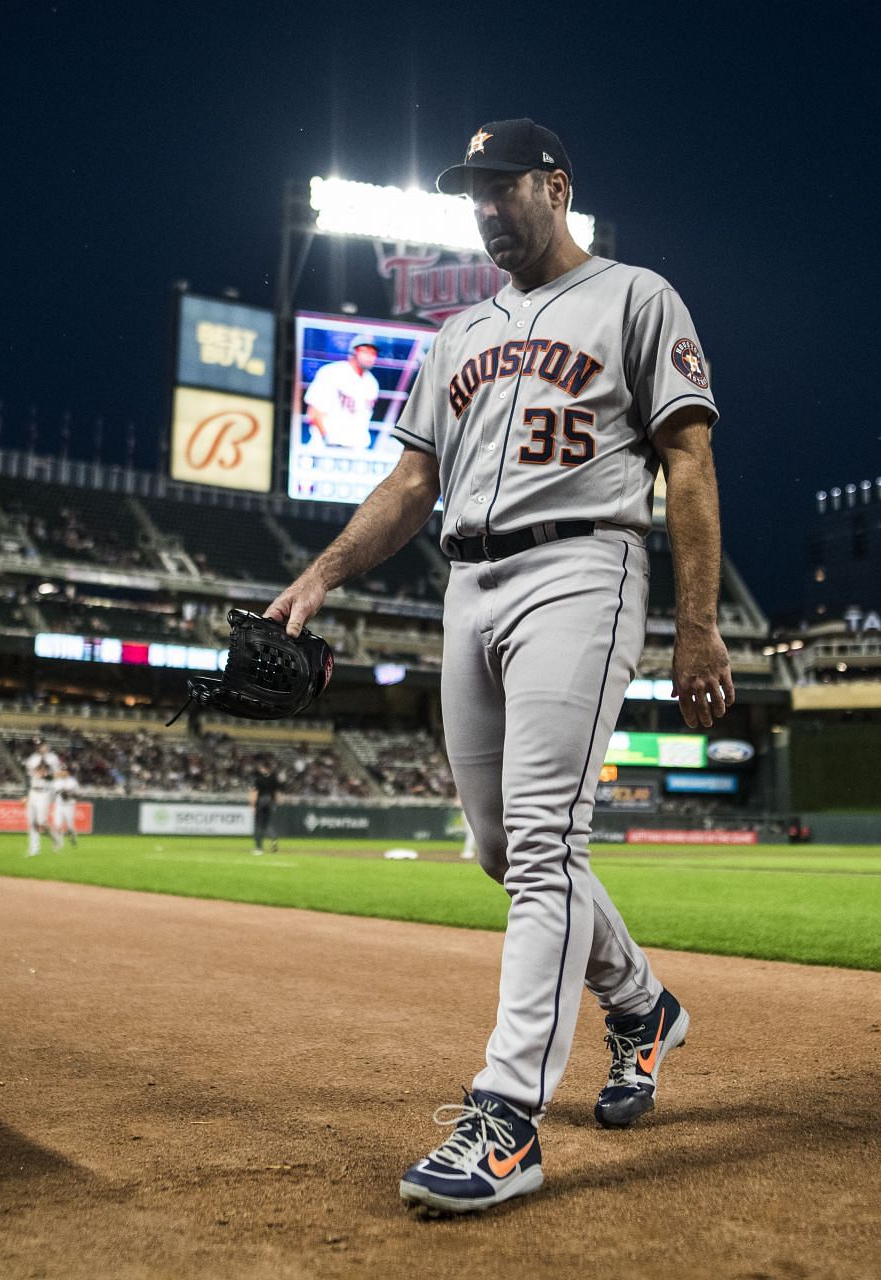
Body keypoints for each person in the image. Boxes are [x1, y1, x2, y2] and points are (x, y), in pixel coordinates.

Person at [267, 118, 732, 1215]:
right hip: (466, 586)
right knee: (495, 845)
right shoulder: (456, 333)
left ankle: (506, 1119)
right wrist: (324, 573)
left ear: (556, 185)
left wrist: (698, 622)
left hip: (585, 567)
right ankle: (644, 1006)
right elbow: (409, 484)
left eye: (499, 184)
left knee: (542, 846)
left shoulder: (636, 295)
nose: (481, 205)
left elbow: (689, 460)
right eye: (469, 190)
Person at [303, 335, 382, 449]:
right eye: (365, 351)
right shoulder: (332, 372)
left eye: (373, 353)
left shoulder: (372, 383)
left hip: (356, 448)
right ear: (353, 352)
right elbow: (314, 412)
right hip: (326, 446)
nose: (370, 357)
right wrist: (327, 439)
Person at [21, 740, 62, 857]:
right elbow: (27, 777)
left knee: (42, 823)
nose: (42, 747)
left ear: (47, 746)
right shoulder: (32, 759)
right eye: (39, 745)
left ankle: (55, 839)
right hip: (33, 791)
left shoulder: (53, 758)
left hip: (45, 792)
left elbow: (58, 775)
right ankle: (34, 849)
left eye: (43, 745)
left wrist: (46, 776)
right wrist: (25, 794)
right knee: (31, 821)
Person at [250, 761, 281, 855]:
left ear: (264, 769)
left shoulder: (258, 779)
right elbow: (276, 793)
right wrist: (275, 803)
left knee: (258, 825)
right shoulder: (274, 779)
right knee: (267, 825)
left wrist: (253, 806)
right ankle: (273, 840)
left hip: (261, 802)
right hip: (270, 802)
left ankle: (259, 848)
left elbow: (254, 793)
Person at [53, 766, 81, 849]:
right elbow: (54, 792)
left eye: (65, 771)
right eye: (62, 771)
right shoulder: (56, 782)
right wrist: (61, 792)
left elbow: (78, 794)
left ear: (68, 772)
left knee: (70, 826)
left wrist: (70, 794)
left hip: (69, 806)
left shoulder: (73, 782)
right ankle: (58, 844)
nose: (63, 772)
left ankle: (73, 838)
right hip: (59, 805)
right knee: (57, 825)